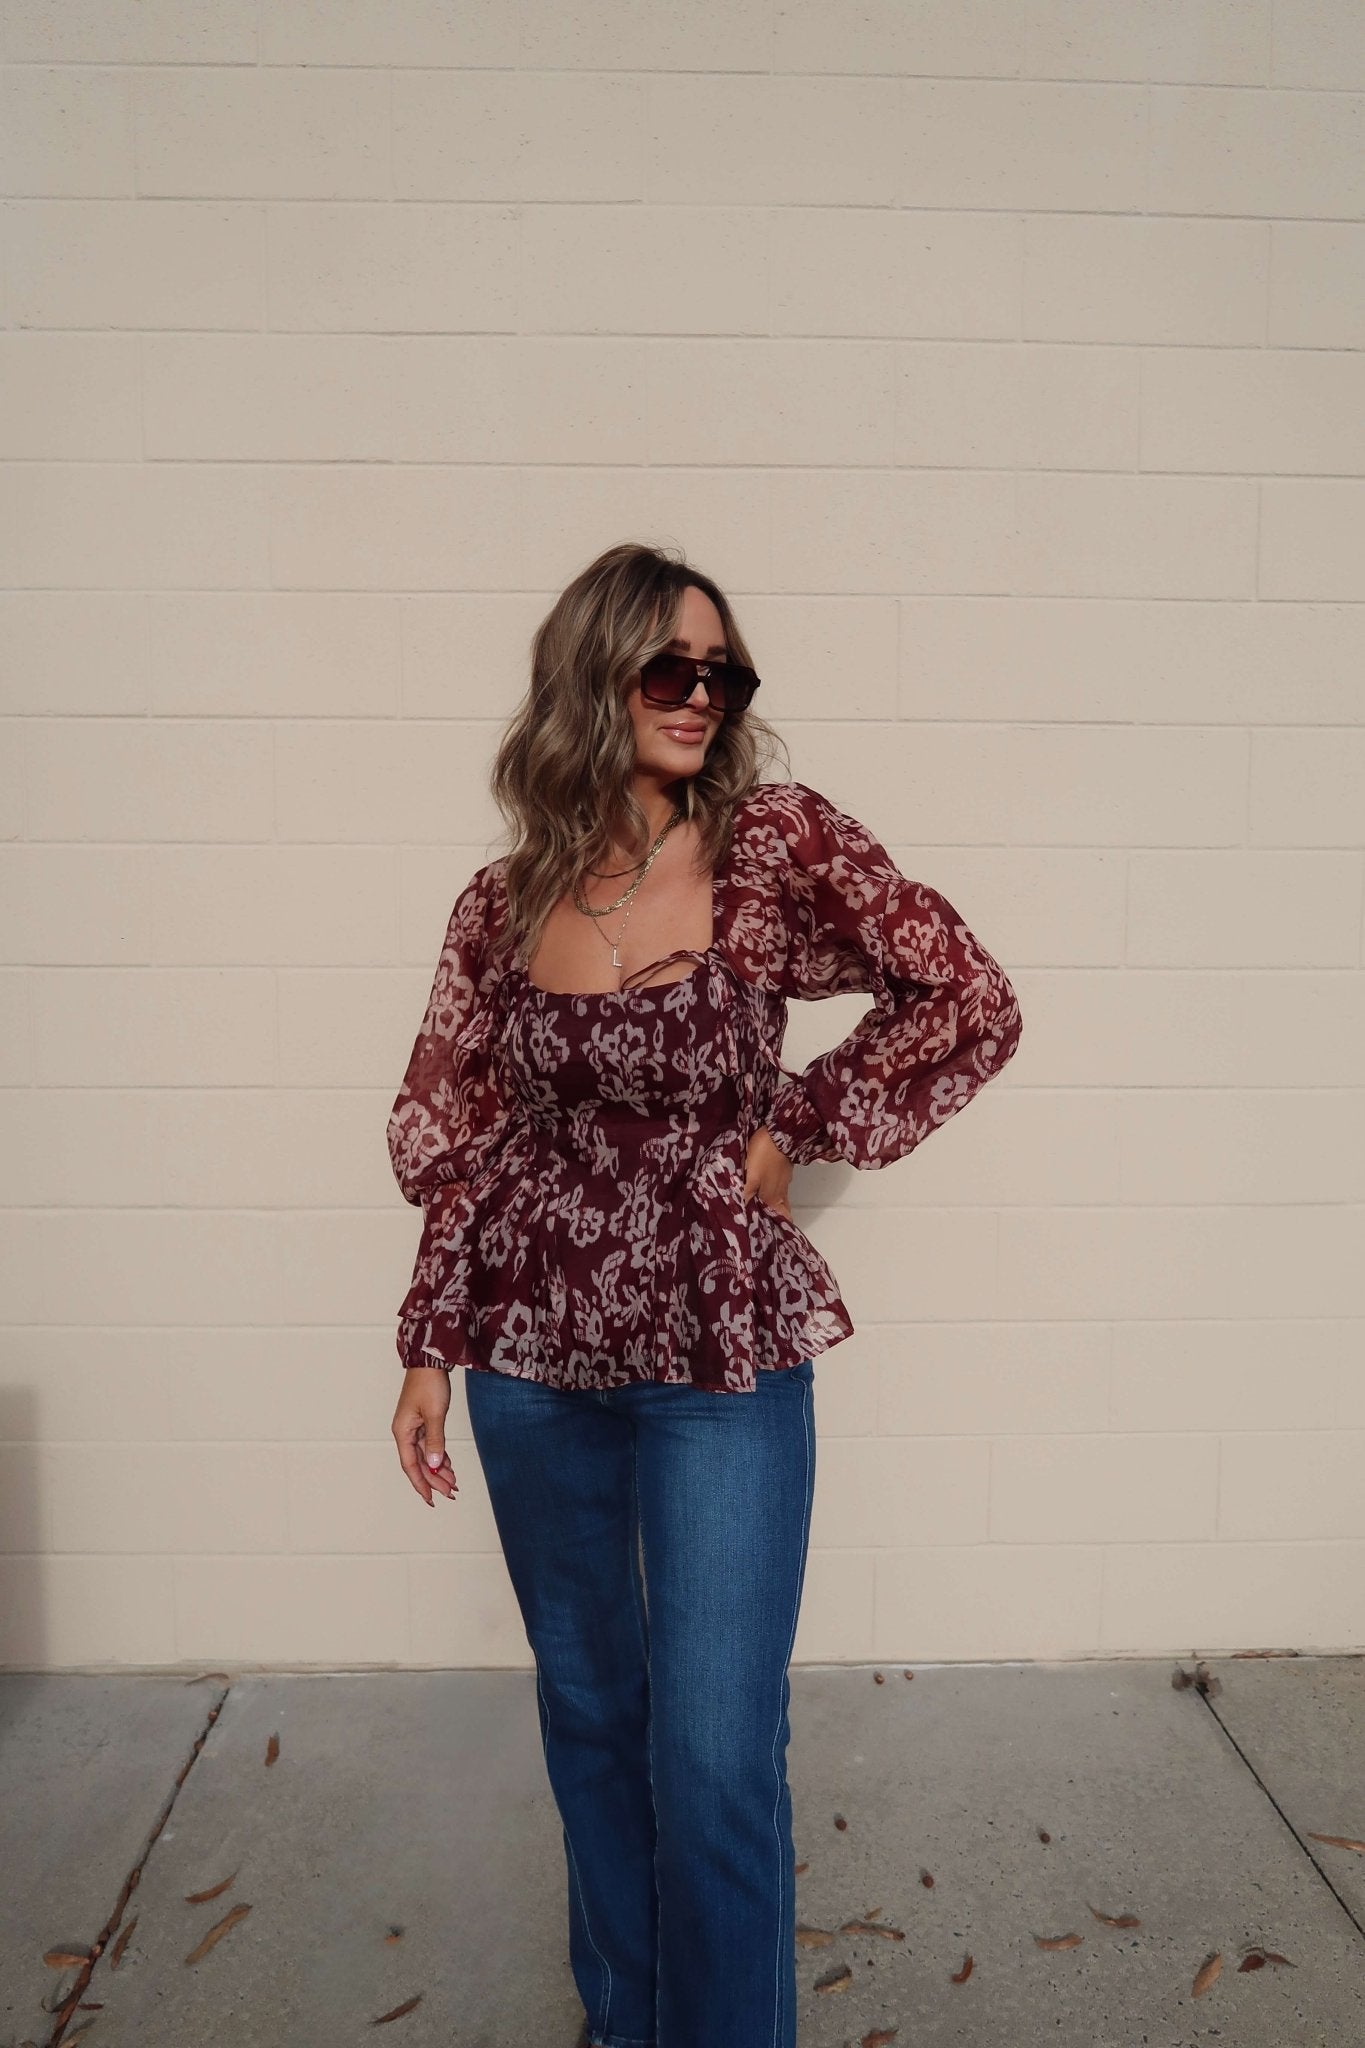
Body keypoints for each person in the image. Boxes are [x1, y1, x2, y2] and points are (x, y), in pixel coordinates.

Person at [385, 541, 1023, 2048]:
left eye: (722, 672)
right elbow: (461, 1137)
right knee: (592, 1718)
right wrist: (427, 1345)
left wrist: (797, 1124)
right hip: (528, 1364)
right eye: (667, 667)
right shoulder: (497, 907)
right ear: (588, 680)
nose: (700, 695)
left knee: (719, 1753)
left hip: (717, 1358)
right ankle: (627, 2021)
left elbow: (967, 996)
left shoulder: (773, 849)